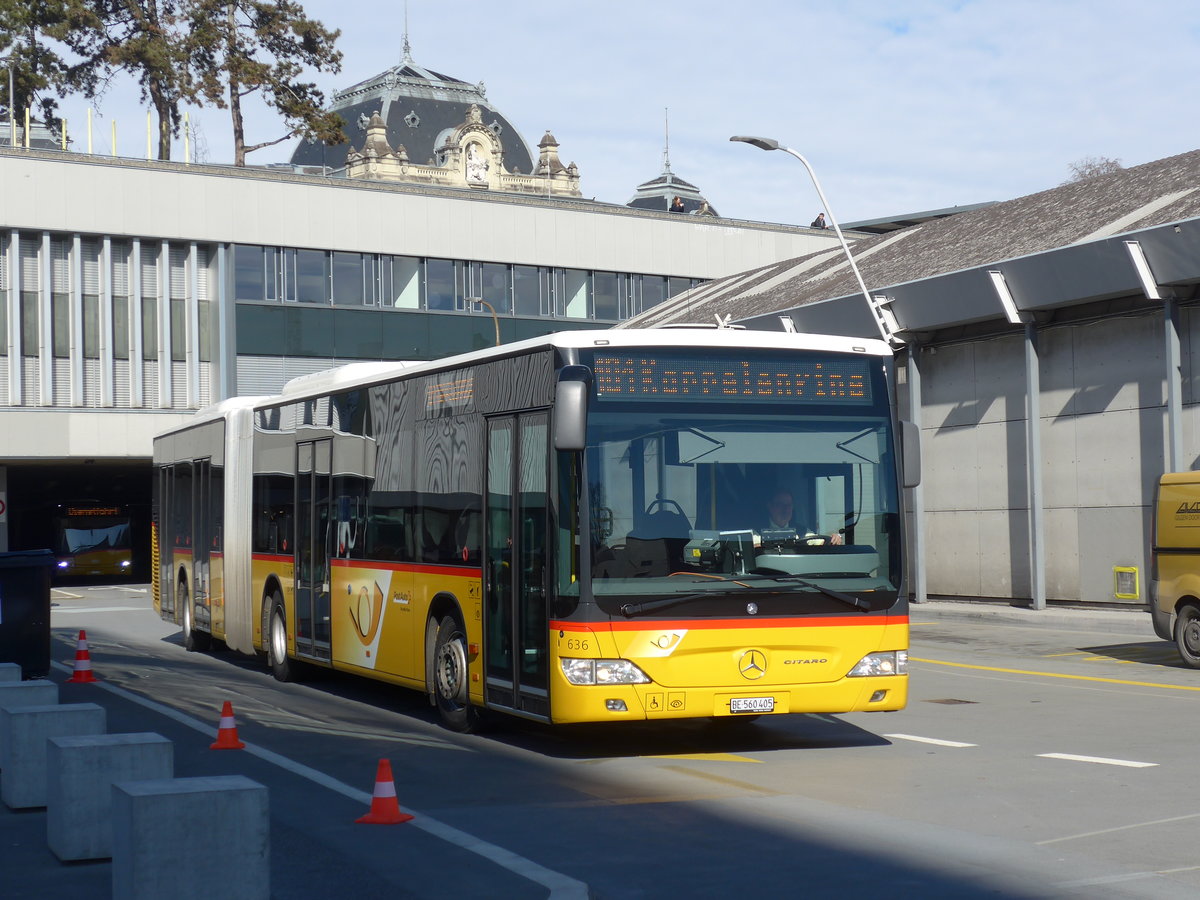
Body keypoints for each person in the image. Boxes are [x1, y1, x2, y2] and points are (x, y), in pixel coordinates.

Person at [762, 489, 842, 544]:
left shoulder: (802, 531)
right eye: (780, 505)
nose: (786, 509)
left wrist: (834, 539)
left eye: (789, 505)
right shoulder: (756, 532)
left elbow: (820, 542)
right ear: (770, 506)